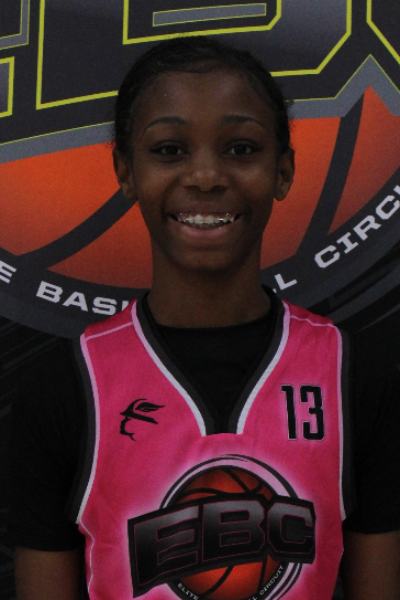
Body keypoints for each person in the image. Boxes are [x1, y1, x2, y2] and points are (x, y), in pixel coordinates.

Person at [8, 37, 400, 600]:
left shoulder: (352, 374)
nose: (206, 176)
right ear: (125, 170)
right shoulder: (66, 386)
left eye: (241, 148)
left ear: (284, 170)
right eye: (169, 150)